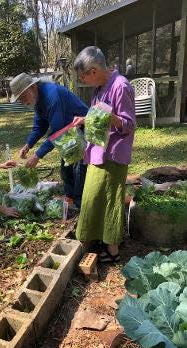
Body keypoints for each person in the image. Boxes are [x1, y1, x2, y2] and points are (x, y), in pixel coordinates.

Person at [73, 46, 135, 263]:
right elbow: (96, 115)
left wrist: (113, 118)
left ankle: (113, 251)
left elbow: (129, 125)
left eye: (83, 77)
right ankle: (102, 238)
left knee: (109, 200)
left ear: (93, 71)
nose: (84, 81)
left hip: (113, 154)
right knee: (94, 197)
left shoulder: (121, 86)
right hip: (98, 151)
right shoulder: (99, 88)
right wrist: (84, 119)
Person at [9, 72, 89, 209]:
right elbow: (39, 126)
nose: (23, 102)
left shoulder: (52, 95)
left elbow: (57, 131)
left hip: (83, 127)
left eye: (23, 97)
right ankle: (69, 198)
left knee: (78, 169)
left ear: (33, 87)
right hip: (69, 132)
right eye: (20, 100)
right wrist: (28, 145)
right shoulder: (38, 99)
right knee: (66, 168)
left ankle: (80, 205)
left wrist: (37, 155)